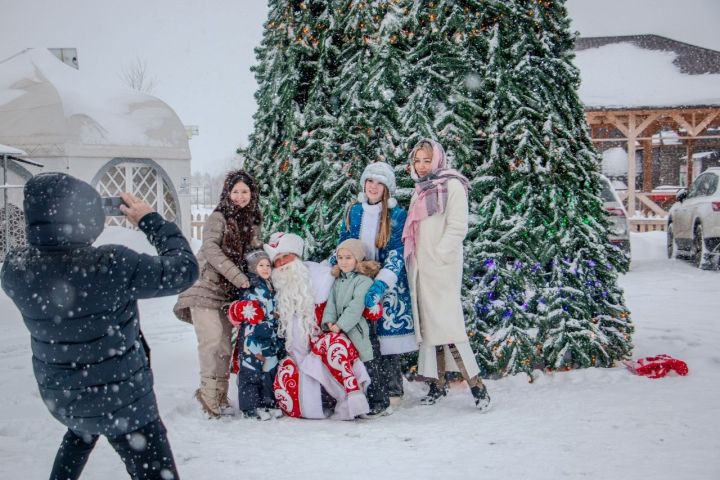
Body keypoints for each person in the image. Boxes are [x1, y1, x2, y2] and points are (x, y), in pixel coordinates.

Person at [1, 172, 198, 480]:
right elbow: (185, 270)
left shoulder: (15, 269)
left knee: (81, 431)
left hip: (65, 398)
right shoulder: (112, 264)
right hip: (125, 403)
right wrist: (149, 220)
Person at [402, 139, 491, 411]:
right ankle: (437, 385)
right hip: (422, 270)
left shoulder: (452, 185)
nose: (421, 165)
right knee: (431, 329)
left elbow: (457, 227)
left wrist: (440, 255)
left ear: (438, 160)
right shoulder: (420, 190)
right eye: (417, 160)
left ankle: (478, 388)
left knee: (449, 328)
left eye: (427, 160)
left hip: (441, 269)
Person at [174, 170, 262, 417]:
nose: (240, 196)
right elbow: (211, 249)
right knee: (211, 340)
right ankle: (208, 396)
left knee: (224, 345)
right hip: (204, 286)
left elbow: (255, 253)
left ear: (252, 194)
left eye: (245, 191)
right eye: (235, 192)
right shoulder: (218, 217)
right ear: (227, 193)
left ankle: (220, 396)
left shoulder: (253, 221)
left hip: (227, 293)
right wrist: (239, 277)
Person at [335, 161, 417, 410]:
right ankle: (367, 388)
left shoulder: (397, 216)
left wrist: (381, 285)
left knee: (386, 338)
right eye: (369, 181)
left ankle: (393, 390)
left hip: (386, 283)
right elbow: (343, 243)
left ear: (387, 188)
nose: (373, 186)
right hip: (357, 280)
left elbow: (396, 254)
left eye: (379, 182)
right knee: (362, 337)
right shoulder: (354, 212)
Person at [265, 232, 371, 420]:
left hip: (320, 350)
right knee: (288, 382)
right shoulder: (273, 291)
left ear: (297, 257)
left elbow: (349, 297)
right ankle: (314, 405)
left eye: (286, 257)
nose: (281, 264)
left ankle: (351, 403)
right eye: (277, 261)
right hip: (294, 358)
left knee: (334, 346)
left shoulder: (321, 279)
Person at [322, 239, 390, 419]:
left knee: (370, 365)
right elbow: (331, 303)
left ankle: (380, 401)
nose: (343, 262)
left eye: (348, 257)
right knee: (353, 367)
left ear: (358, 260)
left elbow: (356, 307)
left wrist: (341, 325)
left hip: (361, 332)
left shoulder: (363, 281)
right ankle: (359, 401)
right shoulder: (338, 281)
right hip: (341, 330)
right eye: (340, 257)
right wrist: (329, 321)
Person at [226, 249, 281, 421]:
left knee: (268, 372)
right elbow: (245, 311)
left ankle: (267, 404)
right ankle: (250, 407)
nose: (265, 268)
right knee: (251, 372)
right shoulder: (251, 286)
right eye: (261, 265)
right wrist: (249, 312)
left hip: (268, 339)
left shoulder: (269, 286)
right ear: (252, 268)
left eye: (267, 265)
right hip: (252, 340)